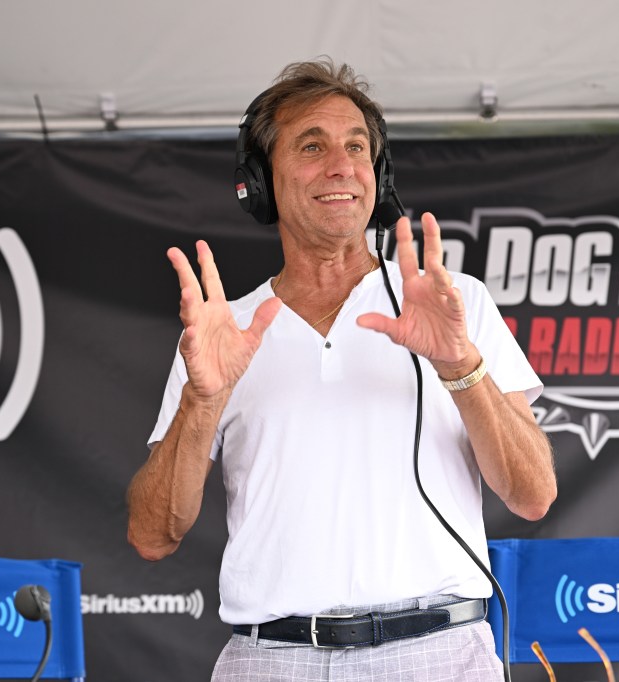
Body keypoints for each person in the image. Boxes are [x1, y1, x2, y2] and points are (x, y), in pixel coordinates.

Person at [127, 58, 556, 681]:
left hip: (439, 655)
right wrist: (202, 398)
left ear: (378, 176)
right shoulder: (226, 329)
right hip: (270, 661)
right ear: (259, 181)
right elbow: (151, 535)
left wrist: (460, 366)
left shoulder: (454, 301)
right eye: (311, 145)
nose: (341, 167)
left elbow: (533, 494)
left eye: (357, 147)